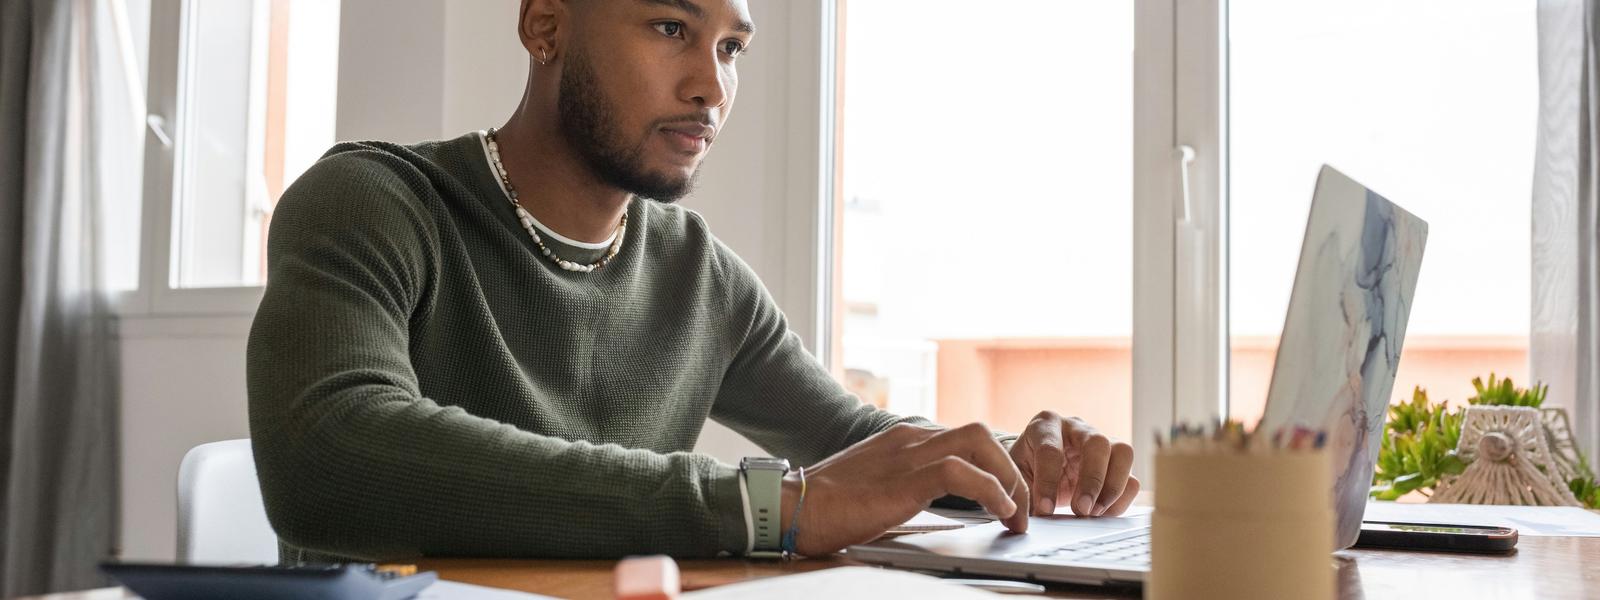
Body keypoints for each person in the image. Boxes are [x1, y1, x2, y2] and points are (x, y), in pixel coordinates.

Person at [246, 0, 1138, 562]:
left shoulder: (695, 273)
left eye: (732, 47)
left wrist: (1001, 460)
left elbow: (853, 442)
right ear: (544, 23)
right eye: (672, 28)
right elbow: (324, 452)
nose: (711, 85)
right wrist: (768, 506)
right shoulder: (373, 201)